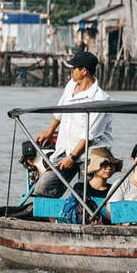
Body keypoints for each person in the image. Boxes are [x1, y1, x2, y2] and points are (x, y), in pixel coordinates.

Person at [34, 51, 113, 198]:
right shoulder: (71, 85)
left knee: (86, 195)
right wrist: (50, 131)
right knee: (44, 187)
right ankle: (47, 219)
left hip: (90, 154)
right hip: (66, 149)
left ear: (84, 71)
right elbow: (60, 109)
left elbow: (90, 135)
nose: (71, 71)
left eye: (73, 68)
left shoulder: (100, 99)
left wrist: (72, 157)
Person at [64, 147, 122, 224]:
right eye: (104, 164)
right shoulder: (81, 187)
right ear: (95, 166)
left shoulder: (114, 190)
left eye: (112, 165)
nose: (109, 168)